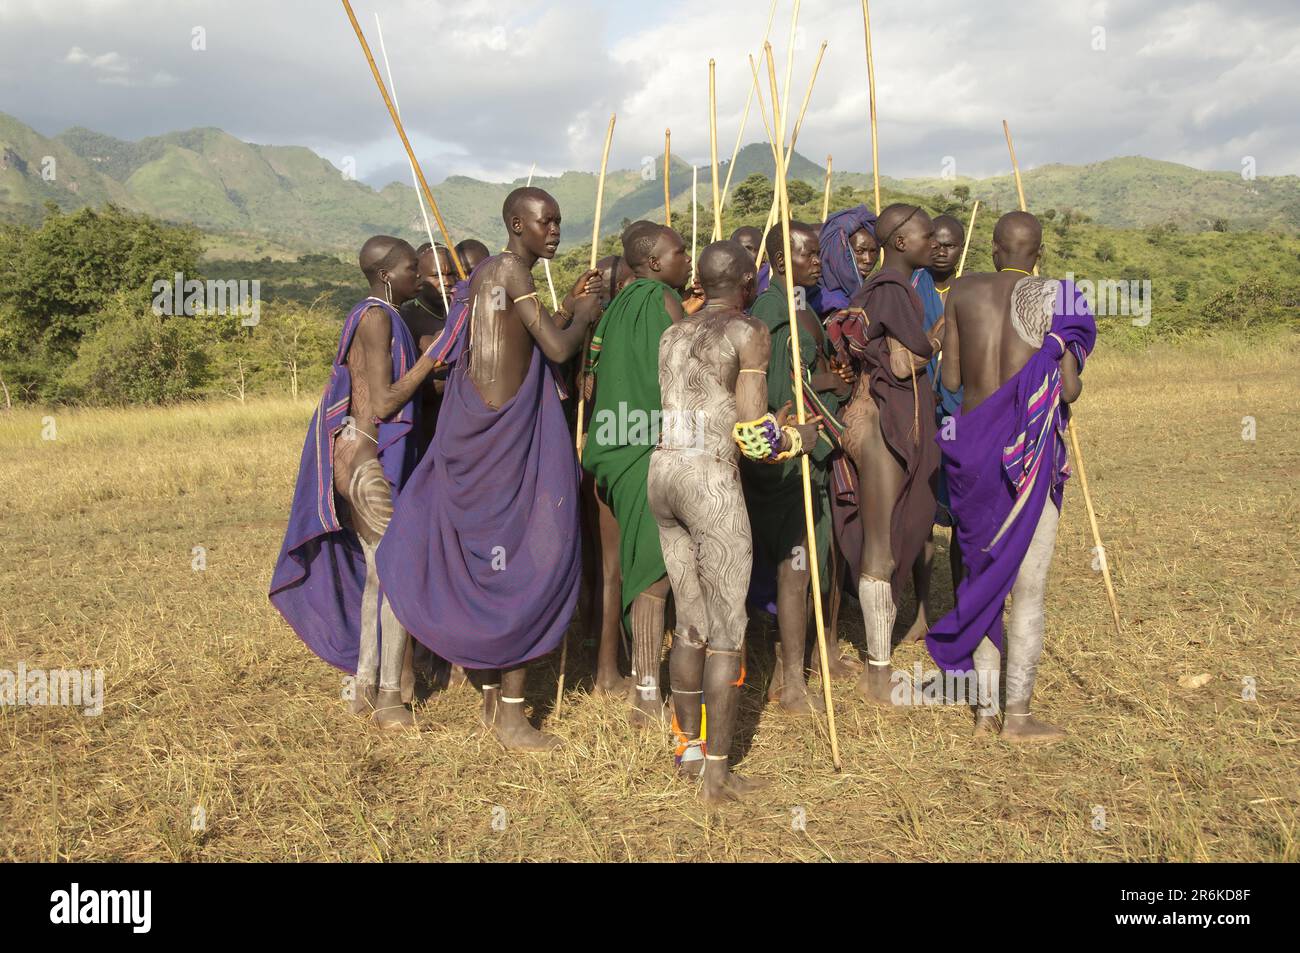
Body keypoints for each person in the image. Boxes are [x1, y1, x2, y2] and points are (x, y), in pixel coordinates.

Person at [377, 188, 602, 751]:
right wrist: (586, 318)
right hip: (499, 441)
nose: (554, 230)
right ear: (514, 224)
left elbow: (519, 342)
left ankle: (484, 697)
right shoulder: (507, 269)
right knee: (525, 562)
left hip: (487, 435)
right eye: (543, 222)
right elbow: (553, 349)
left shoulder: (494, 276)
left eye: (557, 220)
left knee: (494, 560)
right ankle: (507, 715)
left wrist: (570, 307)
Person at [648, 240, 820, 802]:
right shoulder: (749, 331)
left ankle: (689, 752)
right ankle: (718, 776)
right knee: (726, 634)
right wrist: (801, 437)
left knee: (690, 622)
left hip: (663, 474)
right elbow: (752, 438)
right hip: (708, 483)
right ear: (749, 279)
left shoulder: (675, 331)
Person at [927, 211, 1095, 743]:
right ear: (1037, 253)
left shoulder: (962, 293)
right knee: (1029, 589)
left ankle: (982, 716)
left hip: (973, 451)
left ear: (996, 249)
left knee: (982, 580)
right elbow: (1067, 393)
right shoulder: (1061, 299)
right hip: (1031, 454)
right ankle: (1017, 716)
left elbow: (949, 378)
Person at [269, 236, 445, 729]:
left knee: (376, 577)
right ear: (388, 274)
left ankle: (365, 690)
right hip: (369, 464)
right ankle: (390, 698)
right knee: (394, 575)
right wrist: (435, 357)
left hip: (354, 459)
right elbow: (387, 402)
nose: (421, 276)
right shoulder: (378, 317)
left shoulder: (366, 314)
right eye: (414, 268)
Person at [825, 204, 942, 707]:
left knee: (890, 537)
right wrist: (937, 338)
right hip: (879, 424)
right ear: (898, 241)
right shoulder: (892, 290)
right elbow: (908, 353)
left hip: (879, 419)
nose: (933, 241)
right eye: (923, 234)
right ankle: (878, 675)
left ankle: (879, 664)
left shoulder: (890, 288)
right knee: (881, 546)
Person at [744, 221, 856, 711]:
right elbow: (771, 387)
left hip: (793, 451)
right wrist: (789, 429)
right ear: (782, 259)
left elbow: (803, 374)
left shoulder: (798, 307)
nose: (817, 260)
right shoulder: (772, 311)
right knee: (793, 564)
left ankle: (789, 673)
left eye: (816, 252)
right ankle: (791, 684)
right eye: (807, 253)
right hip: (786, 457)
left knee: (796, 564)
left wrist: (828, 382)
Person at [583, 223, 692, 723]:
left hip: (609, 447)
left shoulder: (617, 307)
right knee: (652, 571)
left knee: (624, 565)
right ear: (652, 262)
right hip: (645, 447)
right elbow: (673, 380)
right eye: (679, 252)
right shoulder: (661, 301)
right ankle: (646, 695)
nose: (686, 259)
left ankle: (623, 672)